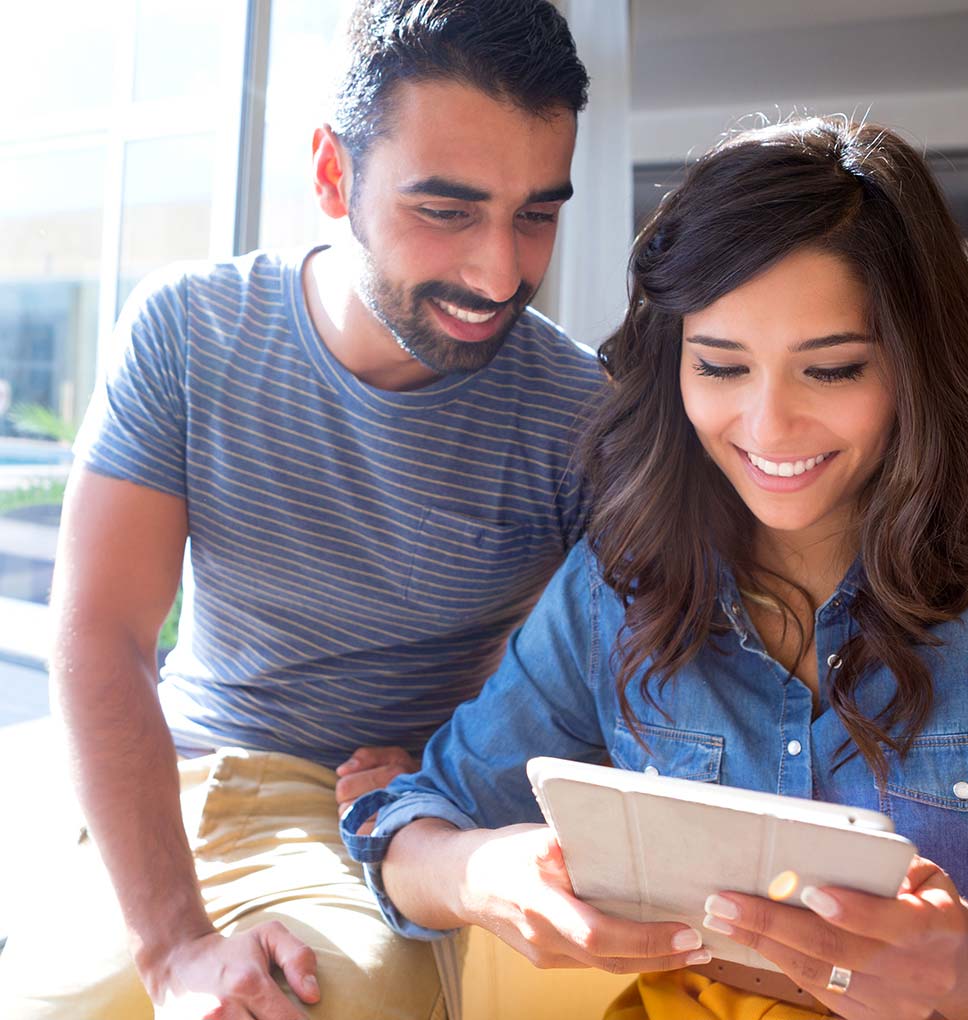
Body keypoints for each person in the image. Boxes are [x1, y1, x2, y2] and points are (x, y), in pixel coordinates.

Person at [342, 116, 968, 1020]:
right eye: (720, 366)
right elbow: (415, 817)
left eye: (830, 371)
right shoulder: (625, 574)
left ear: (919, 367)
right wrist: (480, 878)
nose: (767, 428)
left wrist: (965, 965)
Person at [0, 2, 600, 1018]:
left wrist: (463, 775)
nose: (501, 273)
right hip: (176, 786)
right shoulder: (189, 331)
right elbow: (100, 638)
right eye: (446, 210)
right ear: (332, 174)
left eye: (535, 214)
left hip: (379, 821)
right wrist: (177, 945)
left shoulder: (580, 416)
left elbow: (622, 670)